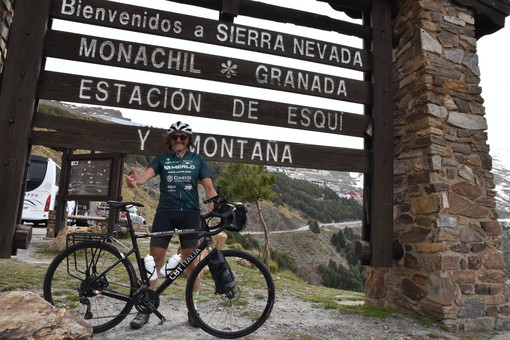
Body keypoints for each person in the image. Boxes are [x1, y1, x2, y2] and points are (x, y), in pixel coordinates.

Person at [125, 121, 217, 329]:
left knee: (192, 264)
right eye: (174, 137)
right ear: (170, 140)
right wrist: (134, 181)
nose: (178, 140)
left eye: (182, 137)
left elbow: (209, 187)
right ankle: (146, 308)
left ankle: (193, 311)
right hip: (165, 213)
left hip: (191, 215)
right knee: (155, 260)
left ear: (188, 141)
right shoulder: (162, 159)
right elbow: (145, 176)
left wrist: (215, 203)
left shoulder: (197, 160)